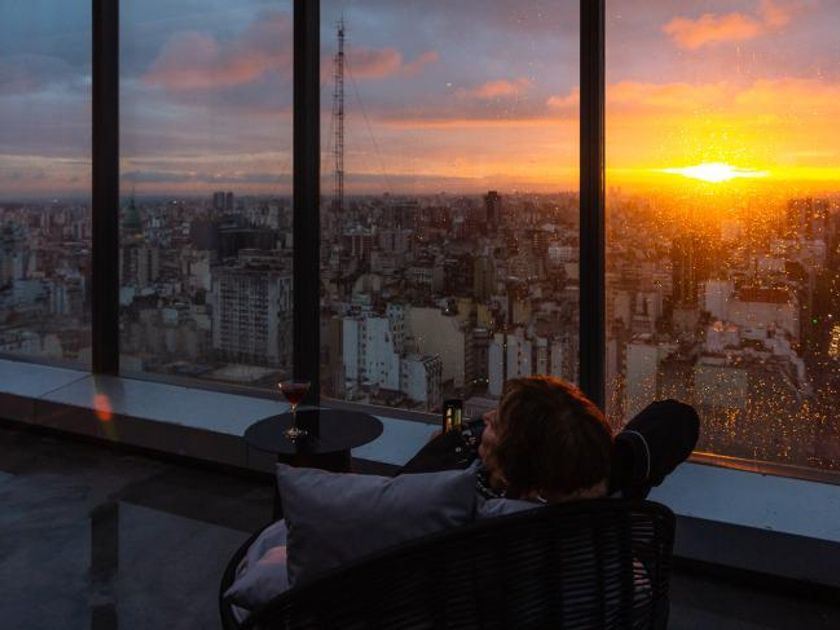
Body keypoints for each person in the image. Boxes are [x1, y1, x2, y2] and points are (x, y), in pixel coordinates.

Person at [400, 375, 699, 504]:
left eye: (497, 425)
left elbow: (393, 500)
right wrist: (606, 469)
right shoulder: (601, 478)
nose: (486, 418)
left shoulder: (464, 503)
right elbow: (678, 418)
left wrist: (438, 458)